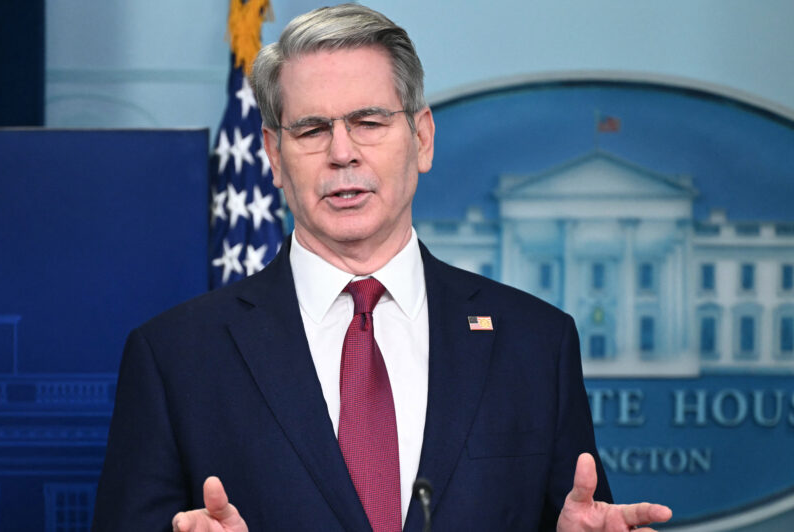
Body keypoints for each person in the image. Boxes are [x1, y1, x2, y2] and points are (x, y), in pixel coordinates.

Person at [93, 4, 672, 531]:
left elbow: (575, 510)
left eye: (368, 122)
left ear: (420, 139)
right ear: (272, 156)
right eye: (312, 129)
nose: (342, 152)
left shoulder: (535, 342)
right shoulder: (175, 357)